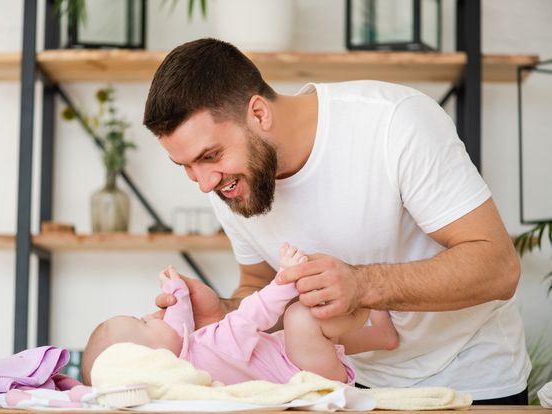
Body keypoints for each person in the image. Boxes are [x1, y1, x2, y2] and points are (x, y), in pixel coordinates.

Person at [142, 38, 531, 404]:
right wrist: (224, 312)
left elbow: (498, 267)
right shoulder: (229, 184)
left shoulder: (394, 123)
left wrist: (362, 284)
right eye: (186, 166)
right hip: (346, 386)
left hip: (469, 382)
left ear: (258, 113)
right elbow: (261, 287)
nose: (204, 182)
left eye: (210, 156)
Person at [80, 244, 399, 386]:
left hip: (297, 362)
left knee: (288, 340)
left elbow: (180, 326)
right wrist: (283, 279)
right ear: (153, 360)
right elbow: (251, 316)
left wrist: (178, 291)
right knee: (300, 318)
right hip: (313, 379)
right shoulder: (208, 349)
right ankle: (364, 304)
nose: (150, 316)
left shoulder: (185, 366)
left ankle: (380, 337)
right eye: (143, 323)